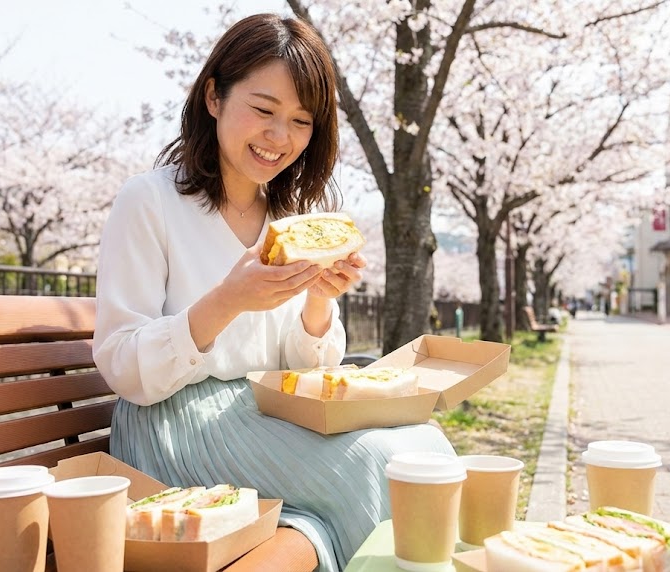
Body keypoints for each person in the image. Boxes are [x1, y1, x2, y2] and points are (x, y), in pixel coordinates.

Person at [92, 13, 454, 571]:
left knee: (427, 449)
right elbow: (122, 367)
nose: (280, 137)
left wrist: (317, 299)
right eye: (262, 110)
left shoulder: (288, 220)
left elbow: (300, 367)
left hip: (264, 415)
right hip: (172, 426)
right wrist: (226, 300)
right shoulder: (150, 202)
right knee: (376, 464)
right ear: (214, 97)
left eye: (301, 120)